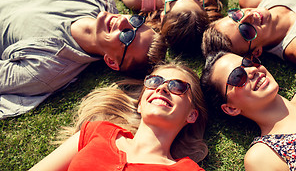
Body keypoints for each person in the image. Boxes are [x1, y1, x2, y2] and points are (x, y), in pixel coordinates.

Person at [0, 0, 167, 119]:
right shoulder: (101, 1)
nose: (123, 21)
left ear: (111, 61)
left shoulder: (45, 69)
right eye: (135, 22)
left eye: (126, 36)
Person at [29, 62, 208, 171]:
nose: (161, 88)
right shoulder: (97, 131)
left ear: (191, 115)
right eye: (154, 82)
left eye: (177, 86)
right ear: (140, 104)